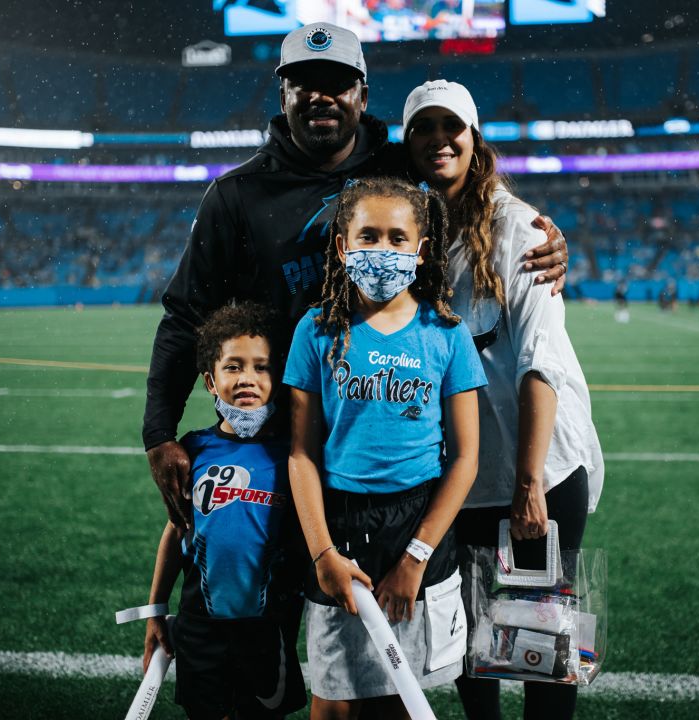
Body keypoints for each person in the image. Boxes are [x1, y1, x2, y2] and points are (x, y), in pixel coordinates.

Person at [144, 20, 567, 540]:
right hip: (279, 437)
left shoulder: (399, 167)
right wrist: (158, 432)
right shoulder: (236, 195)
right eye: (304, 84)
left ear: (362, 96)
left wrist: (532, 230)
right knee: (268, 602)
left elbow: (470, 181)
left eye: (338, 84)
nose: (321, 97)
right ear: (284, 94)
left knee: (391, 605)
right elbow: (187, 313)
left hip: (386, 439)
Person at [401, 79, 604, 720]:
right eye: (423, 129)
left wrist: (528, 484)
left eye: (450, 127)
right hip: (458, 474)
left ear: (474, 137)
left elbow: (540, 362)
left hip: (534, 470)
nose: (438, 140)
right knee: (462, 640)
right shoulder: (411, 234)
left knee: (541, 648)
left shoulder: (520, 229)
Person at [283, 177, 486, 717]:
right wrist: (323, 554)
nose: (382, 250)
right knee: (333, 701)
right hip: (339, 524)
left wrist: (417, 557)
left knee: (407, 699)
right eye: (367, 236)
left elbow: (465, 457)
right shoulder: (315, 330)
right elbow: (301, 453)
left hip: (418, 526)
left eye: (397, 238)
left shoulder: (445, 332)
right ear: (343, 246)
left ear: (421, 252)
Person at [140, 301, 307, 720]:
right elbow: (176, 530)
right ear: (210, 381)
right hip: (199, 631)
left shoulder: (293, 456)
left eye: (261, 367)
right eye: (233, 367)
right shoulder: (192, 449)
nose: (247, 379)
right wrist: (156, 609)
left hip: (268, 632)